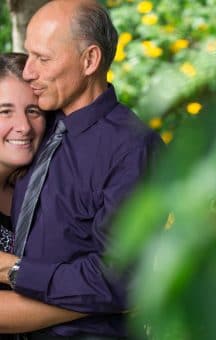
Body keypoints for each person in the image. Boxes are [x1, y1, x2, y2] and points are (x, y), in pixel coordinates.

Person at [0, 0, 162, 339]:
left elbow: (119, 277)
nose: (29, 71)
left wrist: (13, 270)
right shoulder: (37, 128)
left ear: (89, 60)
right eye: (29, 55)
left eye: (43, 59)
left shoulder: (132, 148)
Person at [0, 53, 87, 338]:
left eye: (33, 111)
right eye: (5, 111)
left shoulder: (44, 187)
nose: (23, 126)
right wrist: (101, 297)